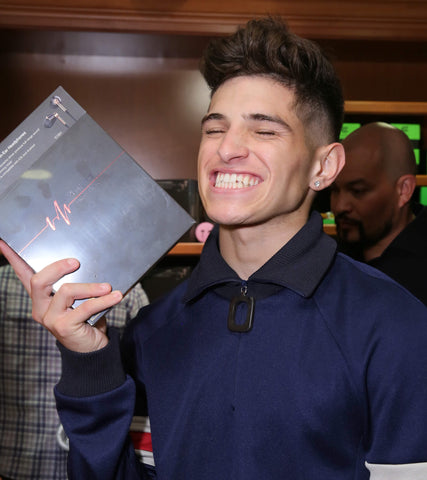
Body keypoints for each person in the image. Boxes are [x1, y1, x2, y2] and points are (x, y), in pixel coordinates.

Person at [2, 16, 427, 480]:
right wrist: (89, 362)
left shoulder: (396, 325)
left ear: (324, 167)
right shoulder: (151, 331)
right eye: (214, 128)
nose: (227, 149)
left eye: (264, 131)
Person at [0, 262, 149, 480]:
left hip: (104, 464)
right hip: (20, 461)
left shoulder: (126, 288)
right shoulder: (3, 284)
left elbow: (145, 379)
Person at [330, 121, 427, 305]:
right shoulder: (324, 259)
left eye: (358, 191)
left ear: (403, 190)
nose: (340, 206)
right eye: (334, 190)